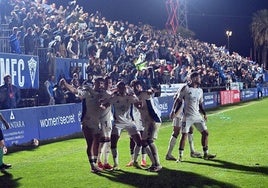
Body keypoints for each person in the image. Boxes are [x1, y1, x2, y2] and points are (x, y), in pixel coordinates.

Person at [61, 76, 110, 173]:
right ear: (94, 83)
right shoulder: (87, 92)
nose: (100, 85)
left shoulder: (103, 94)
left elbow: (111, 98)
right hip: (87, 121)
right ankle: (92, 166)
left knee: (100, 140)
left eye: (101, 83)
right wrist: (66, 84)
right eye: (98, 83)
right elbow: (75, 91)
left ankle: (95, 162)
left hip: (97, 122)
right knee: (90, 143)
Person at [170, 71, 216, 162]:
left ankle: (206, 154)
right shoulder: (186, 88)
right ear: (194, 79)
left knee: (205, 133)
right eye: (198, 78)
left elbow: (200, 104)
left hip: (197, 116)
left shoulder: (200, 90)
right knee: (184, 135)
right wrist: (173, 111)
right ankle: (180, 157)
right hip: (187, 117)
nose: (200, 79)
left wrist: (204, 114)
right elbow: (178, 100)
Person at [101, 81, 142, 170]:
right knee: (113, 143)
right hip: (118, 123)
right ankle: (116, 164)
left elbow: (138, 105)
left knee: (139, 142)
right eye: (120, 87)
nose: (121, 89)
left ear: (125, 88)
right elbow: (106, 104)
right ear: (118, 88)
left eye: (123, 87)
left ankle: (135, 161)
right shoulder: (115, 97)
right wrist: (102, 106)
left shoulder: (129, 96)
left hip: (129, 122)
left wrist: (139, 102)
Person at [130, 80, 162, 172]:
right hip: (146, 123)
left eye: (137, 86)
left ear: (140, 87)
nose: (135, 88)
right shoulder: (134, 97)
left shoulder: (144, 94)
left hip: (153, 120)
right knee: (144, 142)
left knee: (149, 141)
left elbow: (151, 92)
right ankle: (153, 163)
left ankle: (158, 164)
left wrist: (152, 90)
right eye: (134, 87)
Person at [166, 87, 202, 161]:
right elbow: (179, 102)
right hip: (181, 115)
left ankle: (192, 151)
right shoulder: (185, 88)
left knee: (190, 130)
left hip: (184, 115)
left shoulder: (185, 88)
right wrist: (175, 114)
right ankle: (169, 154)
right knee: (177, 133)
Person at [96, 76, 114, 170]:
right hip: (101, 120)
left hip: (108, 120)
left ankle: (106, 162)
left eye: (110, 82)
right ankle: (98, 161)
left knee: (108, 142)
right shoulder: (100, 94)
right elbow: (99, 104)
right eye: (106, 82)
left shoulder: (110, 93)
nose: (108, 84)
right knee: (102, 141)